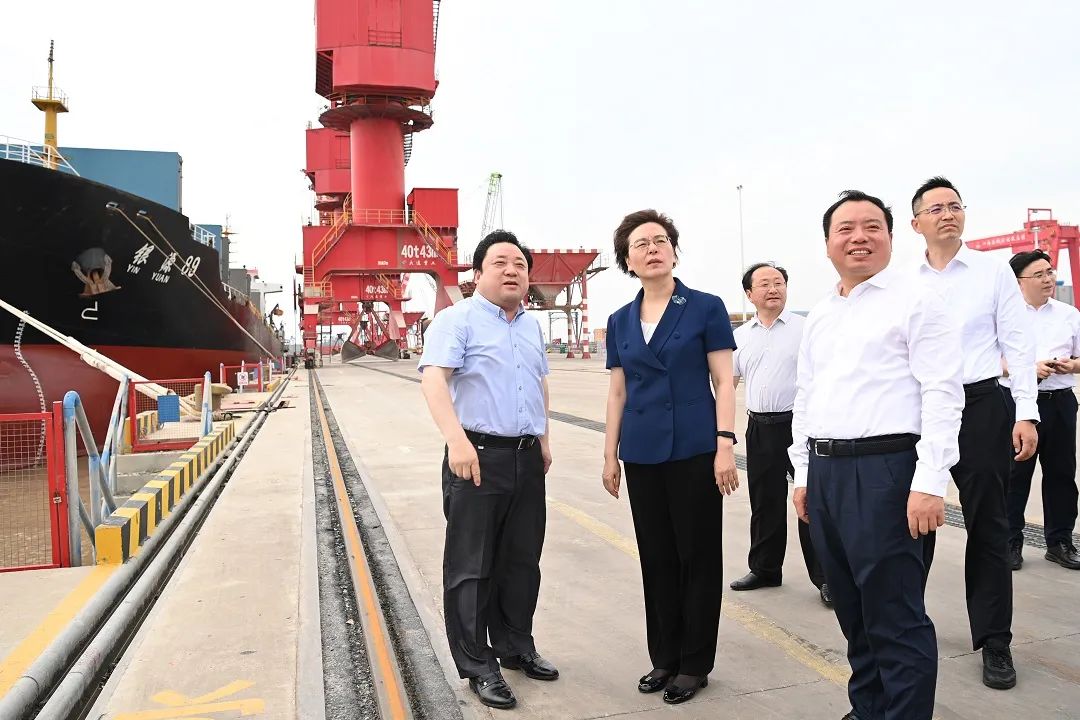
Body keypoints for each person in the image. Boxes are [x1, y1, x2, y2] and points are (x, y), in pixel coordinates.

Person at [791, 190, 964, 720]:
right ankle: (868, 708)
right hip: (826, 475)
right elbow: (807, 395)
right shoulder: (821, 313)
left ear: (891, 236)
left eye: (872, 226)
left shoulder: (917, 299)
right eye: (845, 229)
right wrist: (803, 473)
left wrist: (930, 481)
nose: (859, 237)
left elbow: (942, 392)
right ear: (827, 243)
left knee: (895, 615)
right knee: (852, 610)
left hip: (886, 473)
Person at [601, 209, 739, 705]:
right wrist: (610, 454)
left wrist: (725, 445)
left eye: (660, 240)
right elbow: (618, 391)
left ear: (674, 252)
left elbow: (724, 380)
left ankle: (695, 663)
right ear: (627, 260)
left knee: (697, 557)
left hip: (695, 449)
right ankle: (664, 656)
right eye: (640, 244)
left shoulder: (704, 307)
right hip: (642, 452)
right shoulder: (619, 320)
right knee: (656, 557)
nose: (652, 249)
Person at [418, 230, 556, 711]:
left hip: (525, 457)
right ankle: (479, 666)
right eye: (500, 262)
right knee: (471, 568)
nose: (512, 270)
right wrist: (456, 441)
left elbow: (538, 382)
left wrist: (543, 439)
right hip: (475, 456)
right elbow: (434, 380)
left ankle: (516, 646)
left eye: (520, 263)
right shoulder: (456, 320)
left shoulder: (530, 327)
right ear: (477, 273)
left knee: (521, 561)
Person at [910, 176, 1038, 689]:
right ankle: (905, 629)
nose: (948, 214)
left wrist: (1025, 412)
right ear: (916, 223)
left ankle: (995, 641)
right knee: (913, 519)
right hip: (919, 409)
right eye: (936, 208)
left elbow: (1019, 344)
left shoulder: (992, 272)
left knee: (989, 524)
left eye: (955, 206)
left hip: (981, 405)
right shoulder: (903, 280)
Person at [730, 262, 827, 603]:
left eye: (779, 283)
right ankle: (765, 569)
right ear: (749, 294)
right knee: (764, 501)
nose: (773, 289)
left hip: (801, 428)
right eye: (764, 284)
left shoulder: (806, 328)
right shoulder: (740, 336)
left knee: (811, 500)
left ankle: (826, 578)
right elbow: (728, 383)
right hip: (759, 427)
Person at [1002, 251, 1080, 571]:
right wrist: (1026, 369)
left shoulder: (1069, 314)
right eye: (1039, 274)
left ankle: (1060, 542)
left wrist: (1070, 366)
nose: (1048, 279)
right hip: (1016, 403)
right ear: (1018, 281)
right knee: (1013, 475)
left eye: (1050, 272)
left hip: (1059, 402)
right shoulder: (1004, 316)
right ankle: (1010, 542)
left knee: (1062, 474)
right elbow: (988, 362)